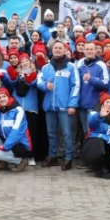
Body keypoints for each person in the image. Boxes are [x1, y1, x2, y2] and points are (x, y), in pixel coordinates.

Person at [37, 41, 80, 171]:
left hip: (65, 107)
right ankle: (52, 156)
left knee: (67, 134)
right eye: (55, 48)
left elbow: (76, 86)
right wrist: (46, 86)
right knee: (51, 133)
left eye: (60, 48)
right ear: (52, 50)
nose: (57, 50)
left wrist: (72, 104)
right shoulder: (46, 67)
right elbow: (39, 81)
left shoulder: (71, 67)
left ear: (65, 50)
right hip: (50, 106)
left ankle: (68, 158)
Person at [0, 88, 32, 172]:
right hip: (8, 141)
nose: (2, 99)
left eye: (4, 96)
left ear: (8, 97)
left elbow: (16, 132)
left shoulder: (18, 110)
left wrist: (4, 147)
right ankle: (3, 163)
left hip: (20, 144)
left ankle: (22, 161)